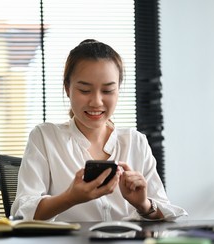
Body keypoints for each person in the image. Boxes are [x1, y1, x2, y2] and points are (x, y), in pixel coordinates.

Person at [10, 39, 187, 222]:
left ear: (118, 90)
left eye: (108, 90)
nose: (96, 102)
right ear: (67, 89)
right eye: (85, 90)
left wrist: (143, 204)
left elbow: (164, 215)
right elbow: (22, 213)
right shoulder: (45, 138)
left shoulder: (136, 142)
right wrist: (70, 198)